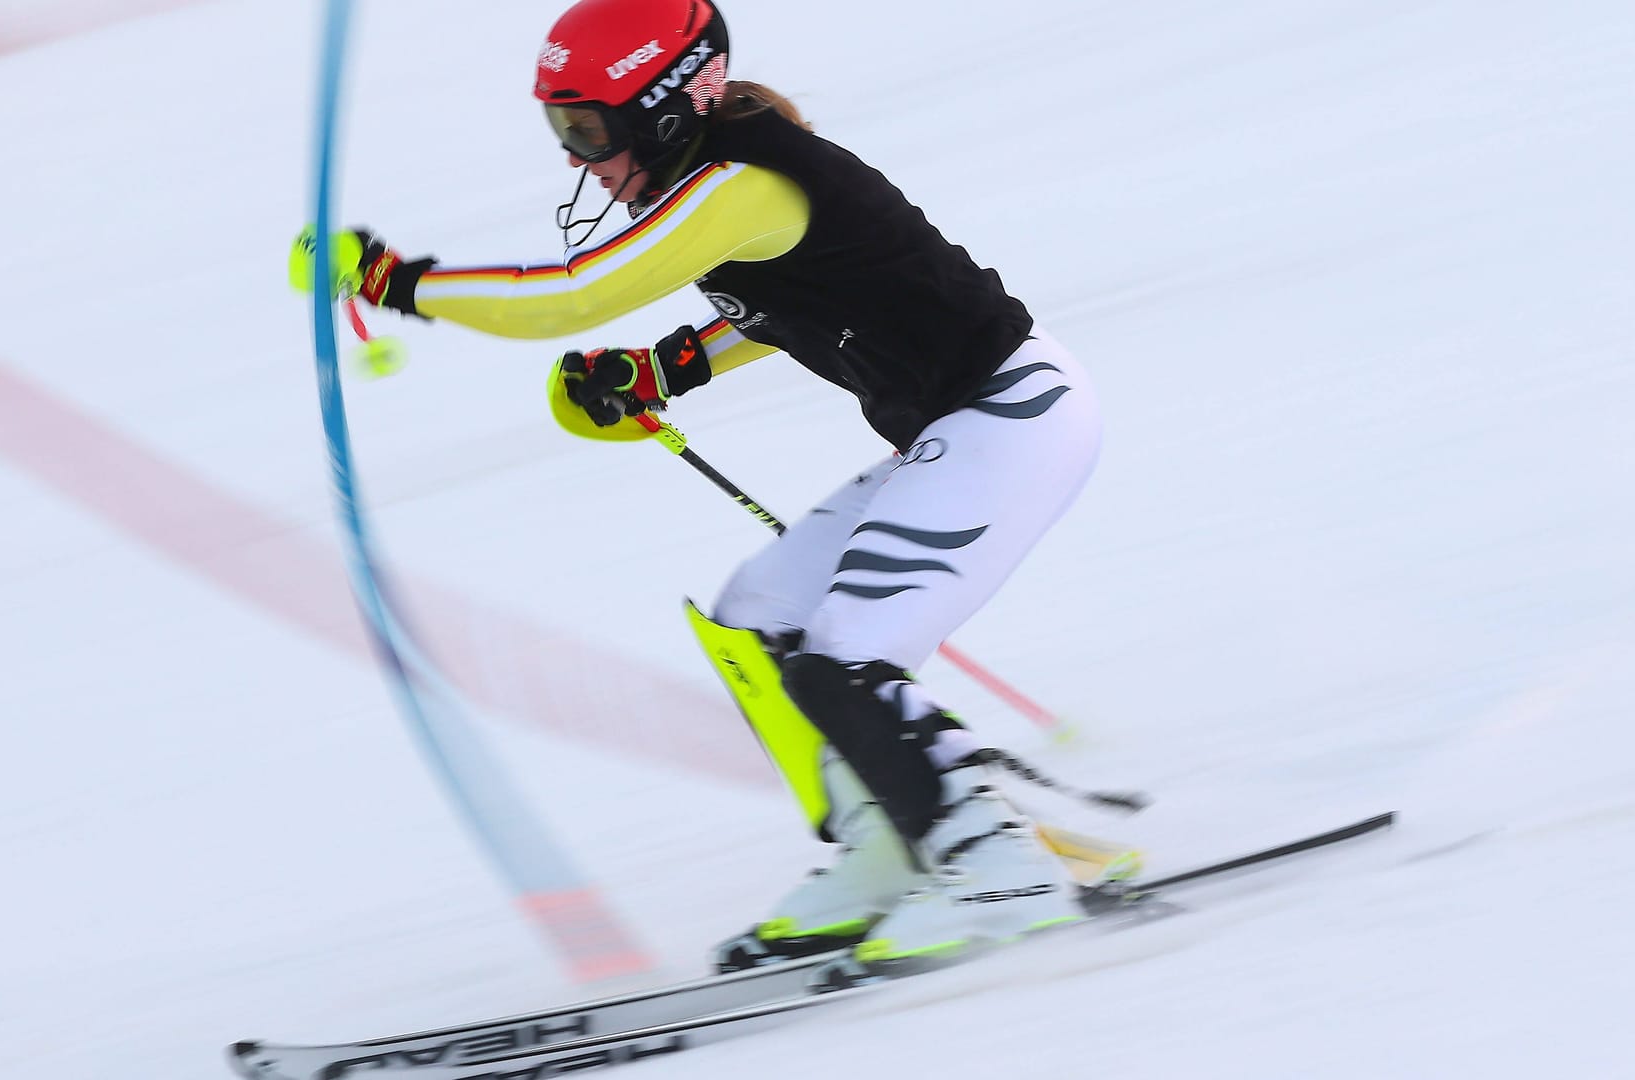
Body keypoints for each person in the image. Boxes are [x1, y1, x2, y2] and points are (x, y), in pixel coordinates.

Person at [289, 0, 1127, 968]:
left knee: (845, 656)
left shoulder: (738, 182)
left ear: (662, 108)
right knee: (759, 617)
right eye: (561, 128)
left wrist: (396, 281)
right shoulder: (716, 180)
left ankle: (999, 870)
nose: (575, 157)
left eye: (587, 128)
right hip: (957, 427)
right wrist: (659, 373)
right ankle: (894, 842)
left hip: (1013, 416)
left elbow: (574, 296)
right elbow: (779, 310)